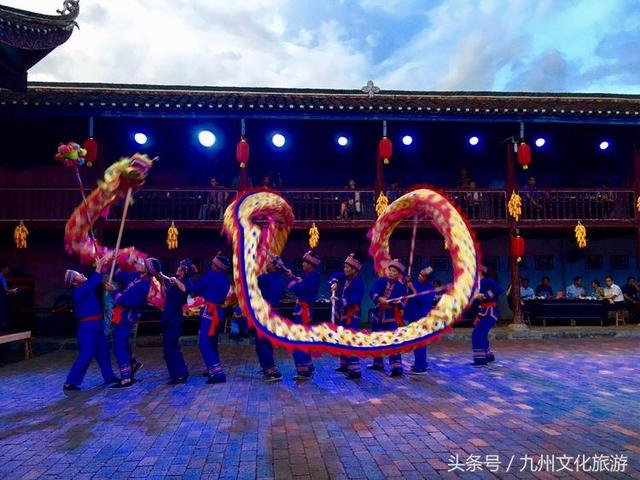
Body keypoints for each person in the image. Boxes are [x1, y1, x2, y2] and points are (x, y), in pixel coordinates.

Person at [63, 256, 119, 391]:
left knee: (104, 352)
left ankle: (109, 376)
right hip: (87, 328)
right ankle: (70, 382)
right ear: (75, 283)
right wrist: (98, 267)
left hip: (98, 325)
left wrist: (104, 263)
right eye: (78, 275)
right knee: (86, 354)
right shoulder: (78, 292)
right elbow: (93, 282)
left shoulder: (86, 288)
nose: (82, 274)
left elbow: (95, 281)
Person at [109, 257, 162, 388]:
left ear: (148, 269)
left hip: (128, 316)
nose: (142, 264)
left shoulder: (145, 285)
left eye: (145, 264)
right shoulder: (137, 275)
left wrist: (114, 291)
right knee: (122, 342)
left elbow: (130, 302)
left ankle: (126, 378)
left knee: (118, 344)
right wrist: (115, 263)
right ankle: (133, 363)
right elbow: (120, 276)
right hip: (122, 314)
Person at [189, 254, 232, 384]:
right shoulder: (225, 280)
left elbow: (195, 288)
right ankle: (212, 368)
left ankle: (217, 373)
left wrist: (188, 277)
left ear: (217, 266)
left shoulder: (211, 275)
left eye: (213, 263)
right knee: (212, 342)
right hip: (218, 312)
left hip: (209, 312)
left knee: (204, 342)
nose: (211, 265)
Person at [329, 252, 366, 380]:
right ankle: (344, 365)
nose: (344, 269)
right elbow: (334, 275)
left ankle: (355, 371)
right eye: (344, 267)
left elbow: (354, 300)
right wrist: (333, 282)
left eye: (347, 268)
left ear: (354, 270)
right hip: (343, 315)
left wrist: (338, 300)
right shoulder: (344, 278)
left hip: (352, 316)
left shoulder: (358, 283)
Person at [369, 259, 408, 377]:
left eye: (394, 271)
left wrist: (397, 302)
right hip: (378, 315)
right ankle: (377, 363)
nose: (391, 273)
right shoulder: (381, 281)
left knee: (392, 341)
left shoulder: (401, 287)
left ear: (398, 274)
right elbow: (372, 292)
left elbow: (404, 303)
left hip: (391, 317)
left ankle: (396, 368)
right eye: (389, 270)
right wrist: (379, 298)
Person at [286, 250, 321, 380]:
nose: (303, 264)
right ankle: (308, 368)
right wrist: (292, 277)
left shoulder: (313, 277)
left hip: (304, 312)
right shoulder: (309, 276)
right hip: (302, 311)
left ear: (311, 265)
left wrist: (293, 282)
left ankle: (303, 371)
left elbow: (300, 288)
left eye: (305, 262)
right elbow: (301, 284)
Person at [159, 259, 194, 385]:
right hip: (169, 318)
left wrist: (175, 279)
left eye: (180, 267)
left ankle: (179, 375)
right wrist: (162, 278)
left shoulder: (185, 282)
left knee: (171, 349)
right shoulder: (176, 284)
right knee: (170, 349)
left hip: (174, 319)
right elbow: (166, 293)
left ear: (184, 271)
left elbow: (184, 289)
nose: (178, 268)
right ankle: (179, 373)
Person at [255, 259, 286, 382]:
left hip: (266, 314)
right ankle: (267, 367)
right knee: (266, 341)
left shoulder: (265, 278)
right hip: (275, 313)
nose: (265, 264)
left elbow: (251, 283)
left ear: (273, 266)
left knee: (263, 342)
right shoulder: (280, 279)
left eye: (268, 263)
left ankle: (271, 370)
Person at [404, 266, 435, 375]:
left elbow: (421, 300)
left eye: (423, 275)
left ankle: (421, 367)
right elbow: (408, 293)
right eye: (420, 274)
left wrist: (412, 287)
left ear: (427, 278)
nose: (420, 277)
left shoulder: (430, 289)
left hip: (422, 318)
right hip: (413, 316)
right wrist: (407, 282)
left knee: (420, 342)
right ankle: (420, 363)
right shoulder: (415, 284)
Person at [471, 267, 503, 366]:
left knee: (477, 334)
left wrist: (485, 295)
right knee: (480, 334)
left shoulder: (486, 280)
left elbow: (499, 289)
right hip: (485, 311)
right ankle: (488, 357)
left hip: (490, 312)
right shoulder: (479, 283)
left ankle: (481, 360)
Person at [0, 262, 18, 331]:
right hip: (1, 300)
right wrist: (13, 291)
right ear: (3, 269)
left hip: (2, 299)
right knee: (3, 317)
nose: (8, 270)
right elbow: (5, 290)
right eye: (7, 269)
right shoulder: (1, 276)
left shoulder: (2, 276)